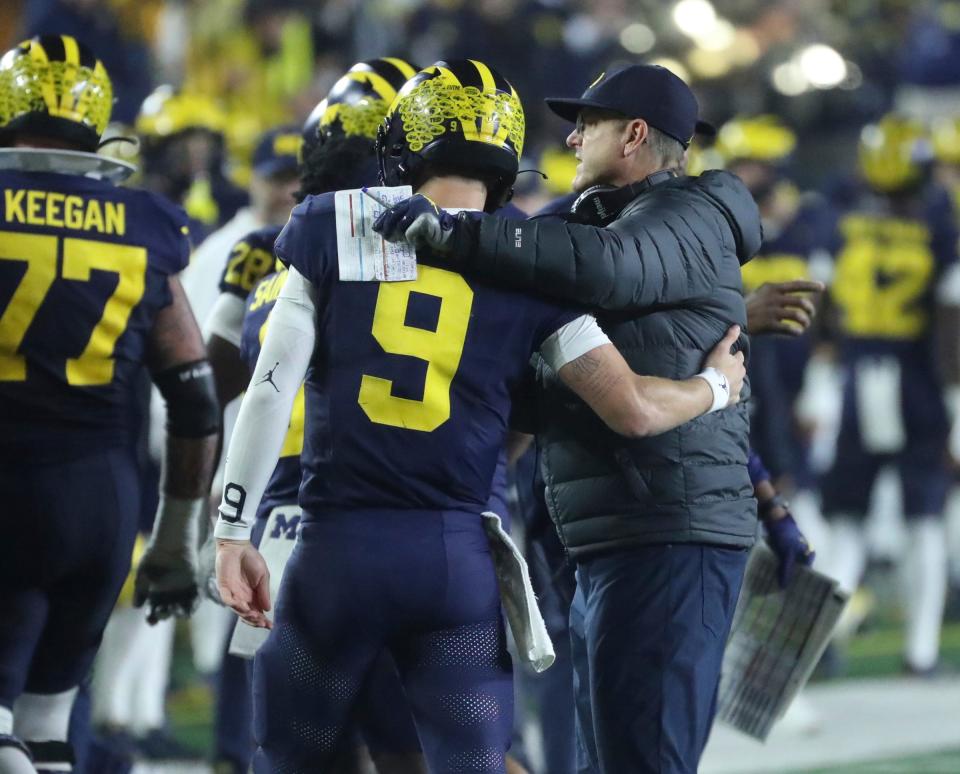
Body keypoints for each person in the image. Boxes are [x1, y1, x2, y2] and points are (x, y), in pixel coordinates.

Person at [213, 59, 746, 773]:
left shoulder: (329, 227)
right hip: (455, 563)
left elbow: (270, 388)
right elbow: (636, 410)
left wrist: (230, 531)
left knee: (296, 760)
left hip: (334, 552)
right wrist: (716, 384)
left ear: (408, 138)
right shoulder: (524, 260)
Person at [376, 63, 794, 774]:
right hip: (613, 532)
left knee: (643, 762)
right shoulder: (596, 223)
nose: (570, 139)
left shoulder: (697, 208)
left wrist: (453, 233)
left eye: (589, 124)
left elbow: (608, 267)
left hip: (669, 530)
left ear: (634, 135)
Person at [201, 57, 426, 774]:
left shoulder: (267, 248)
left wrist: (222, 503)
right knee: (424, 741)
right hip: (410, 502)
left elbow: (221, 380)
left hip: (285, 500)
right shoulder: (447, 242)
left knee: (303, 743)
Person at [0, 35, 218, 773]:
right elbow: (193, 396)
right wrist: (174, 539)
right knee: (49, 727)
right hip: (100, 500)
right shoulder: (142, 220)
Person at [820, 114, 960, 675]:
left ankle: (822, 637)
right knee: (922, 517)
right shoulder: (941, 228)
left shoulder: (842, 223)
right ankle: (921, 651)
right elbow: (950, 326)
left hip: (858, 378)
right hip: (918, 384)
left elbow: (822, 309)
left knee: (846, 518)